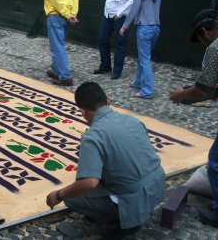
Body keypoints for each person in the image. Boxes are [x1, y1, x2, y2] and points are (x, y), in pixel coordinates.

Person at [47, 82, 165, 239]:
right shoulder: (133, 120)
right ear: (107, 100)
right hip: (157, 187)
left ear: (83, 112)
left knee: (73, 197)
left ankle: (121, 220)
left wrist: (59, 195)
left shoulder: (93, 136)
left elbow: (88, 183)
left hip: (132, 200)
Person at [170, 9, 218, 228]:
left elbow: (203, 90)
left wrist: (182, 94)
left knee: (216, 160)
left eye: (200, 39)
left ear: (205, 32)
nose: (202, 43)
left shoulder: (215, 49)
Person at [119, 0, 161, 99]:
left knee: (144, 60)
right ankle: (138, 82)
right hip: (156, 28)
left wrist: (124, 26)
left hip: (144, 28)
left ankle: (147, 91)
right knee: (144, 58)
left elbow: (134, 11)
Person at [95, 0, 135, 80]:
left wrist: (120, 13)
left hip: (120, 17)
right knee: (102, 39)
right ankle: (105, 66)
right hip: (107, 14)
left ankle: (117, 70)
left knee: (120, 43)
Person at [44, 0, 79, 86]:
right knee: (59, 45)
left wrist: (68, 15)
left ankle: (65, 77)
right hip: (66, 17)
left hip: (56, 16)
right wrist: (72, 14)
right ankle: (55, 70)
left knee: (57, 47)